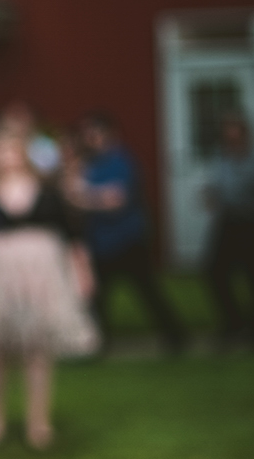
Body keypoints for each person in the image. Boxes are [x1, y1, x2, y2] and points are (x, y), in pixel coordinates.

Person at [0, 125, 96, 450]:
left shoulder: (47, 191)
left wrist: (83, 272)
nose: (5, 157)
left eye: (12, 150)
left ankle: (38, 422)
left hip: (40, 277)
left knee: (37, 349)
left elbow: (71, 234)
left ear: (24, 154)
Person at [66, 111, 188, 355]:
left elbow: (116, 200)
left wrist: (84, 198)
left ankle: (176, 336)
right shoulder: (89, 164)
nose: (90, 139)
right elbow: (78, 194)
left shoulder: (121, 161)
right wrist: (90, 196)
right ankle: (97, 343)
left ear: (110, 134)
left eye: (95, 133)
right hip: (100, 242)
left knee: (147, 290)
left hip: (127, 239)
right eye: (87, 134)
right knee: (97, 297)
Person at [204, 112, 254, 351]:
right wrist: (210, 197)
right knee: (214, 271)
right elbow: (216, 188)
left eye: (235, 134)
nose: (231, 139)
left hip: (252, 222)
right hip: (228, 222)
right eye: (227, 134)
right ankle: (234, 322)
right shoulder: (222, 159)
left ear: (245, 135)